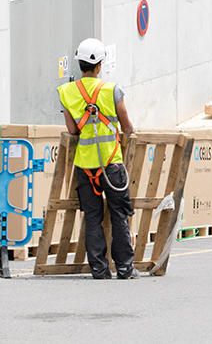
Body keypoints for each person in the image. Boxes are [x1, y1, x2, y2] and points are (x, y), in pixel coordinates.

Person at [58, 38, 137, 280]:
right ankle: (124, 268)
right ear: (100, 65)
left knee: (92, 217)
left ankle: (99, 270)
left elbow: (72, 130)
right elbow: (127, 126)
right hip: (111, 163)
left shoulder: (67, 92)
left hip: (86, 166)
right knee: (118, 214)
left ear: (79, 64)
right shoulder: (111, 91)